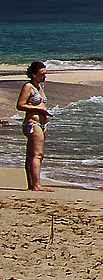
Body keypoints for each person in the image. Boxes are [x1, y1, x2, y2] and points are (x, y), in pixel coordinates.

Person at [15, 62, 51, 192]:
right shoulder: (28, 87)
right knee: (36, 154)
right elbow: (20, 105)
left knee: (34, 155)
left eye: (45, 73)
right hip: (32, 123)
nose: (45, 76)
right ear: (33, 74)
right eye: (42, 74)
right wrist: (39, 110)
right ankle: (36, 185)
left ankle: (32, 184)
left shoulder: (39, 87)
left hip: (42, 124)